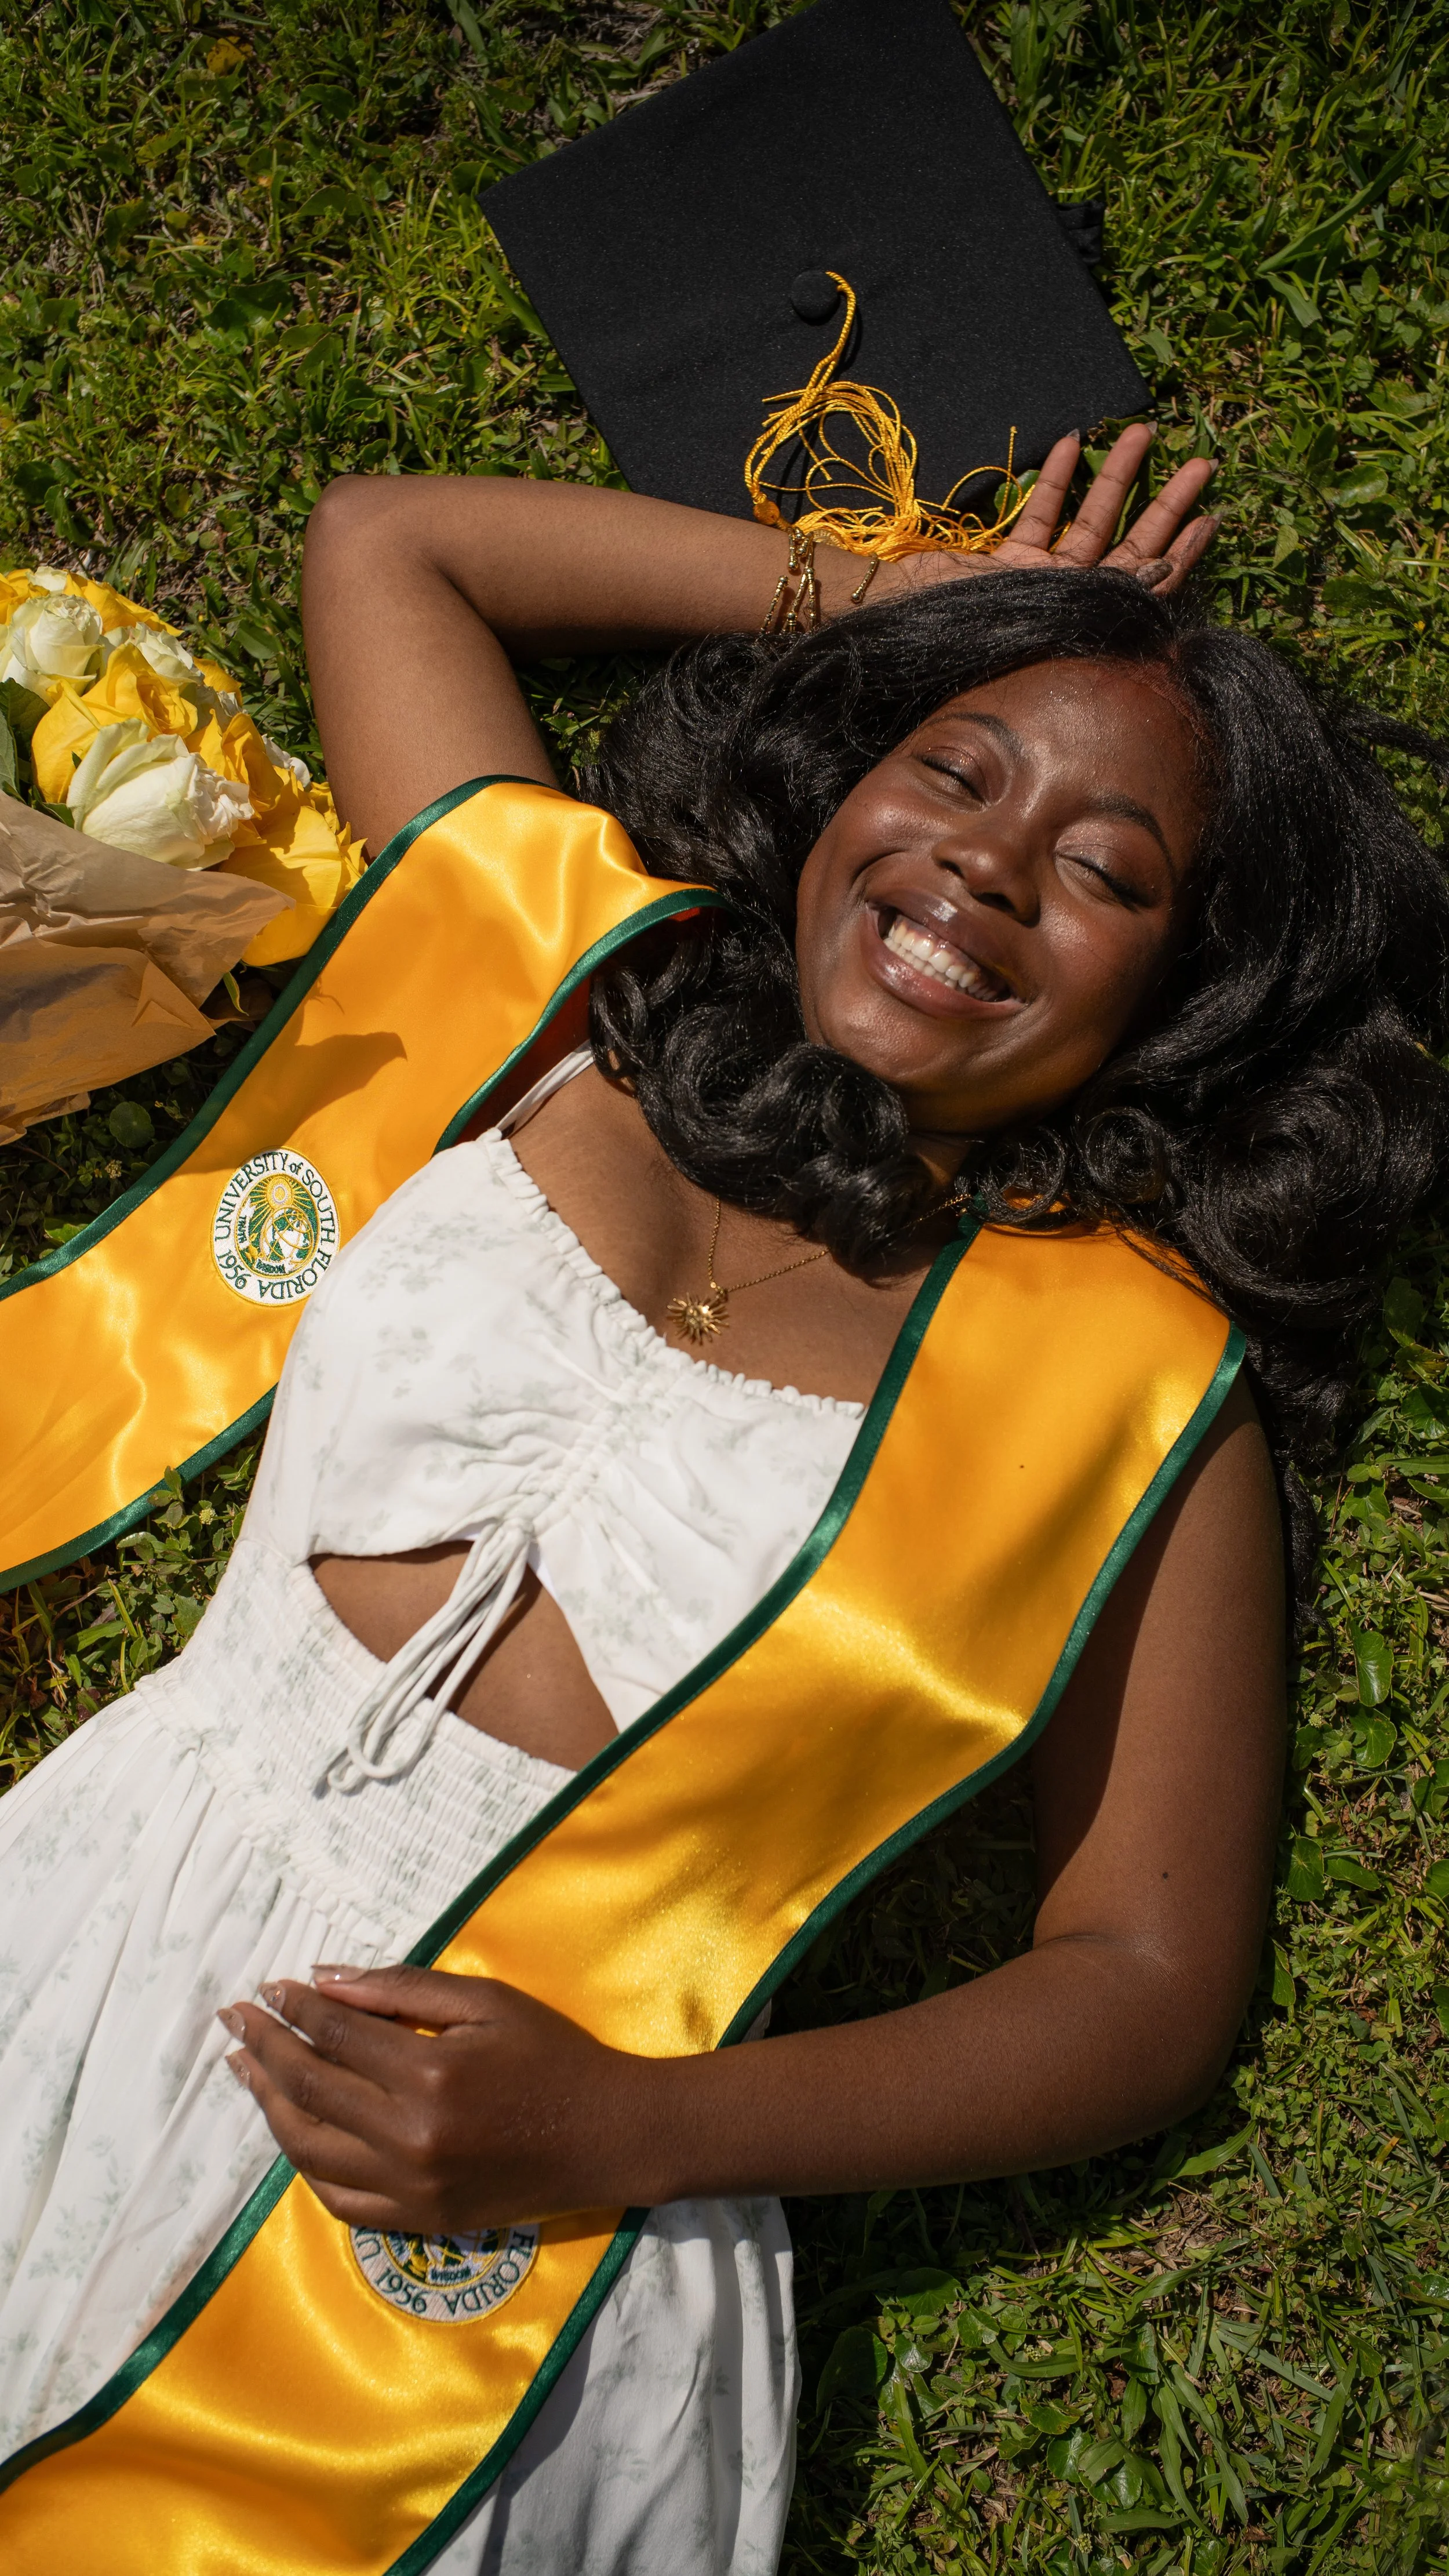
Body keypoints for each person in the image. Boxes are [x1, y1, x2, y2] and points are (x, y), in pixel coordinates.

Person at [2, 425, 1446, 2574]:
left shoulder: (1133, 1397)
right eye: (951, 775)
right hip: (73, 1950)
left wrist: (627, 2122)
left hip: (516, 2222)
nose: (986, 866)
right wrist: (926, 611)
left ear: (1182, 991)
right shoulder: (555, 1020)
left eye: (1105, 869)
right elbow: (392, 542)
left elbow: (1143, 1980)